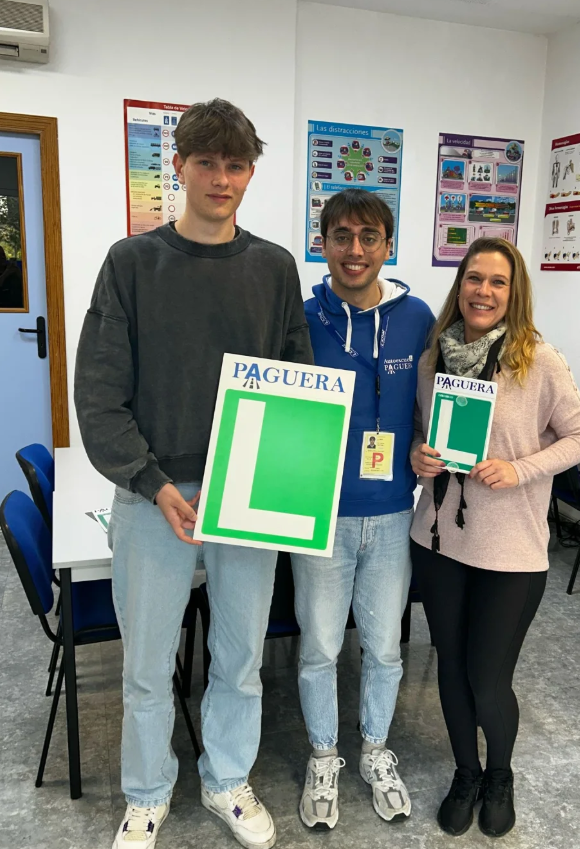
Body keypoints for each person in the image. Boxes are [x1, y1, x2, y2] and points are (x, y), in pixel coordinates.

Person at [75, 98, 313, 849]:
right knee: (147, 667)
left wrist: (286, 480)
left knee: (240, 659)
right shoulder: (131, 264)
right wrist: (152, 482)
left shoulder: (275, 268)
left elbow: (300, 386)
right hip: (155, 496)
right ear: (177, 166)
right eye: (206, 162)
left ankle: (226, 780)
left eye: (235, 164)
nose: (221, 178)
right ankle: (146, 795)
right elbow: (99, 396)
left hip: (250, 495)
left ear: (250, 173)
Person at [409, 237, 580, 839]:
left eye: (497, 282)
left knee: (487, 680)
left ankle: (500, 774)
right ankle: (466, 772)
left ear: (514, 294)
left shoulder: (537, 359)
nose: (483, 291)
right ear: (459, 284)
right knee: (451, 669)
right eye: (474, 278)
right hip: (438, 540)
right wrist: (417, 454)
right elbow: (418, 430)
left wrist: (520, 469)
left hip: (510, 550)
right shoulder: (433, 357)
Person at [291, 189, 435, 830]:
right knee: (320, 649)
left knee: (384, 649)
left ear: (387, 246)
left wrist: (428, 444)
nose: (355, 250)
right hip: (319, 518)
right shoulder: (300, 319)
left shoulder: (417, 318)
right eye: (342, 236)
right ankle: (324, 757)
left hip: (392, 511)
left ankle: (376, 750)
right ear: (322, 243)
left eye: (368, 237)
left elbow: (430, 400)